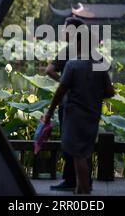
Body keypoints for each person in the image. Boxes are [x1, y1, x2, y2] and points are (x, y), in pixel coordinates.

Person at [45, 29, 115, 194]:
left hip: (75, 113)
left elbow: (60, 91)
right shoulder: (100, 65)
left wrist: (49, 112)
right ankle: (81, 187)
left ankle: (83, 189)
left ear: (79, 44)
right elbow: (110, 92)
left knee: (77, 153)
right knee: (85, 149)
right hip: (93, 112)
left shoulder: (73, 64)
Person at [45, 17, 86, 191]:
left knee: (69, 141)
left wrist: (65, 82)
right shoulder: (91, 51)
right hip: (87, 104)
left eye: (66, 30)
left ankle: (70, 181)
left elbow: (49, 70)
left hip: (68, 103)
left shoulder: (68, 51)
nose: (63, 32)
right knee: (83, 143)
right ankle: (84, 181)